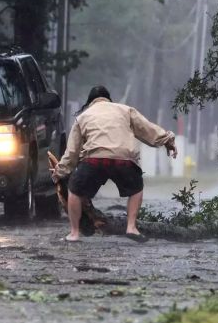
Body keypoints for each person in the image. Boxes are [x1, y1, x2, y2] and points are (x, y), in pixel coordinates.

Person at [51, 86, 177, 242]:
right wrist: (168, 141)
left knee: (74, 190)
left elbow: (72, 153)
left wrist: (59, 172)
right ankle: (132, 227)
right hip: (123, 160)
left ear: (90, 102)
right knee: (136, 189)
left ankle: (74, 233)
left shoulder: (83, 117)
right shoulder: (125, 110)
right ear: (109, 99)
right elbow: (148, 129)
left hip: (94, 160)